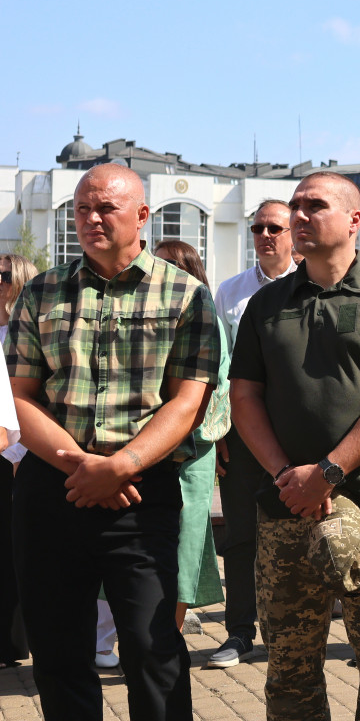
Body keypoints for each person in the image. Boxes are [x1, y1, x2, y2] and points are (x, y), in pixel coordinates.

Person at [7, 163, 219, 720]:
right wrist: (84, 467)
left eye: (106, 208)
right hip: (54, 488)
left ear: (142, 215)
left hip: (141, 493)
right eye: (82, 209)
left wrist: (121, 465)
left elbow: (187, 402)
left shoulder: (186, 295)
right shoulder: (41, 291)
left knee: (153, 647)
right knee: (58, 650)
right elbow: (20, 396)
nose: (91, 219)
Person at [229, 171, 360, 720]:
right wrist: (286, 477)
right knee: (289, 678)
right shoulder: (266, 304)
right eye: (294, 205)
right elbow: (244, 397)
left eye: (314, 205)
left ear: (354, 220)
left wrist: (327, 473)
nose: (298, 215)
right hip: (286, 510)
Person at [208, 198, 297, 668]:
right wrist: (220, 430)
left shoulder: (310, 287)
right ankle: (240, 631)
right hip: (242, 433)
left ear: (293, 233)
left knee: (296, 533)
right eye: (258, 227)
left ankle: (293, 633)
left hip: (297, 435)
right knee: (241, 534)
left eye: (274, 228)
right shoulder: (231, 291)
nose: (264, 235)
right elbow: (218, 367)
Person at [153, 241, 229, 630]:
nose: (160, 271)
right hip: (146, 449)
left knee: (187, 543)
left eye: (170, 264)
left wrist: (214, 433)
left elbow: (220, 387)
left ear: (189, 270)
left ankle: (171, 634)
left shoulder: (206, 317)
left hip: (192, 451)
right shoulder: (149, 313)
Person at [0, 253, 35, 669]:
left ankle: (13, 642)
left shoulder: (26, 331)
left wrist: (17, 452)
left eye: (3, 275)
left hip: (21, 453)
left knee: (15, 546)